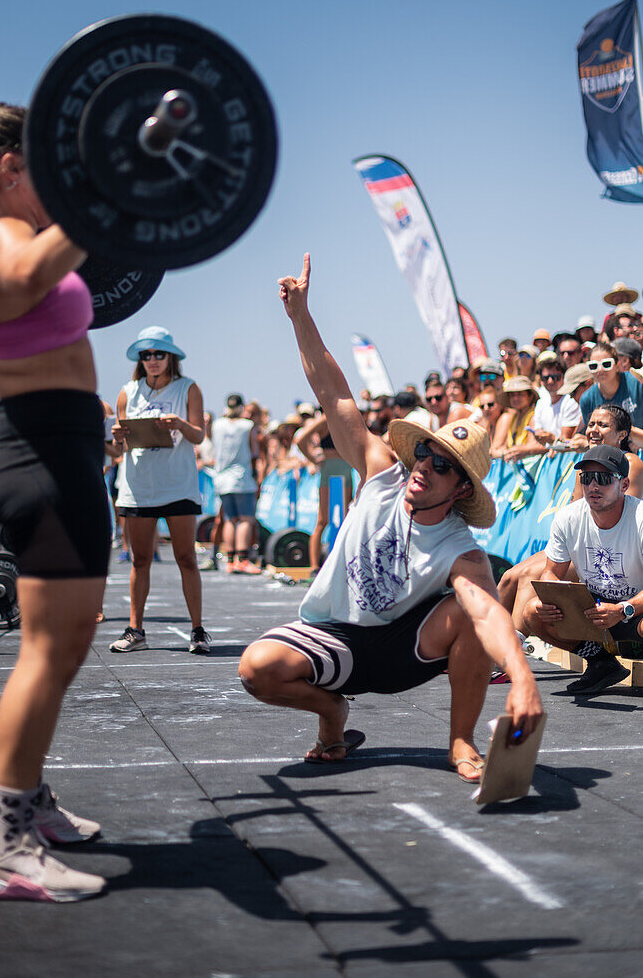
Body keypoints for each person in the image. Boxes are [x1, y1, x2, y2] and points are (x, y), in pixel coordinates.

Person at [238, 255, 542, 774]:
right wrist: (301, 318)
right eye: (424, 453)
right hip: (336, 634)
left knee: (472, 614)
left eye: (442, 465)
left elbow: (490, 612)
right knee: (256, 669)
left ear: (461, 487)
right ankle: (332, 712)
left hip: (406, 648)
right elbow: (332, 393)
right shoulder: (382, 473)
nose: (425, 465)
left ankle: (461, 742)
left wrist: (524, 679)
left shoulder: (460, 548)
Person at [0, 77, 107, 902]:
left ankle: (30, 801)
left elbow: (82, 268)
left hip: (68, 451)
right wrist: (111, 183)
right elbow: (39, 266)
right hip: (38, 455)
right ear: (14, 167)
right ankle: (3, 844)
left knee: (70, 642)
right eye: (51, 170)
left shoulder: (31, 229)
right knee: (46, 650)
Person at [111, 326, 209, 655]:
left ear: (172, 357)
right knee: (140, 560)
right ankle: (135, 630)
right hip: (138, 487)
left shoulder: (188, 388)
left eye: (158, 354)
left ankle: (197, 631)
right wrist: (117, 436)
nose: (152, 360)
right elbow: (117, 450)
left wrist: (179, 424)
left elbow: (199, 437)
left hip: (178, 485)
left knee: (186, 558)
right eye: (146, 355)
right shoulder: (127, 391)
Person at [500, 403, 643, 625]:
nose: (594, 429)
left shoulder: (630, 463)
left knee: (528, 576)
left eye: (603, 425)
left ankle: (518, 641)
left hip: (608, 545)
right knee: (509, 577)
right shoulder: (585, 463)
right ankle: (491, 638)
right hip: (584, 537)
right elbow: (578, 507)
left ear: (622, 434)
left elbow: (615, 515)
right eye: (591, 423)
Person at [522, 445, 642, 695]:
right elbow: (551, 573)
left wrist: (623, 609)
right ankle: (602, 664)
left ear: (624, 485)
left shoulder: (640, 518)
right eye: (587, 478)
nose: (593, 486)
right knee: (533, 612)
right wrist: (550, 600)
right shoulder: (568, 518)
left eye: (604, 478)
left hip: (635, 610)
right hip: (594, 610)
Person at [294, 410, 355, 576]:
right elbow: (300, 439)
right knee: (323, 520)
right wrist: (313, 458)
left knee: (345, 520)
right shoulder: (327, 418)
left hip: (346, 470)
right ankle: (314, 567)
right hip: (331, 471)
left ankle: (341, 565)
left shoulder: (348, 416)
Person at [211, 393, 261, 575]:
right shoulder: (247, 426)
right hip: (241, 477)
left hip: (222, 478)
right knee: (246, 519)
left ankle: (230, 560)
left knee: (229, 519)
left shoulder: (217, 425)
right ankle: (243, 559)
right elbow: (254, 450)